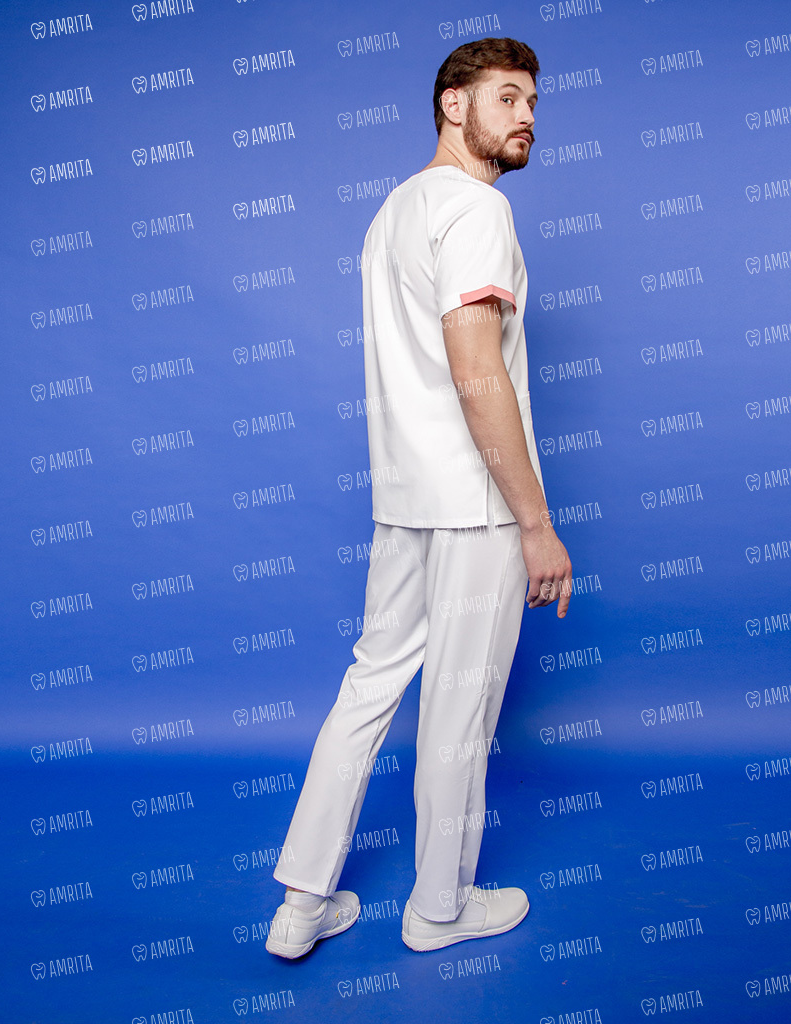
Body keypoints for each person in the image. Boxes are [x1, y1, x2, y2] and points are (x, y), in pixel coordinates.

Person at [266, 37, 572, 959]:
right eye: (507, 97)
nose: (527, 116)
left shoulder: (393, 211)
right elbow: (476, 369)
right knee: (458, 711)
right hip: (475, 504)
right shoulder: (477, 209)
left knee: (369, 686)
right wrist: (536, 523)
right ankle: (440, 909)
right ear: (453, 105)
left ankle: (302, 904)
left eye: (532, 101)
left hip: (403, 496)